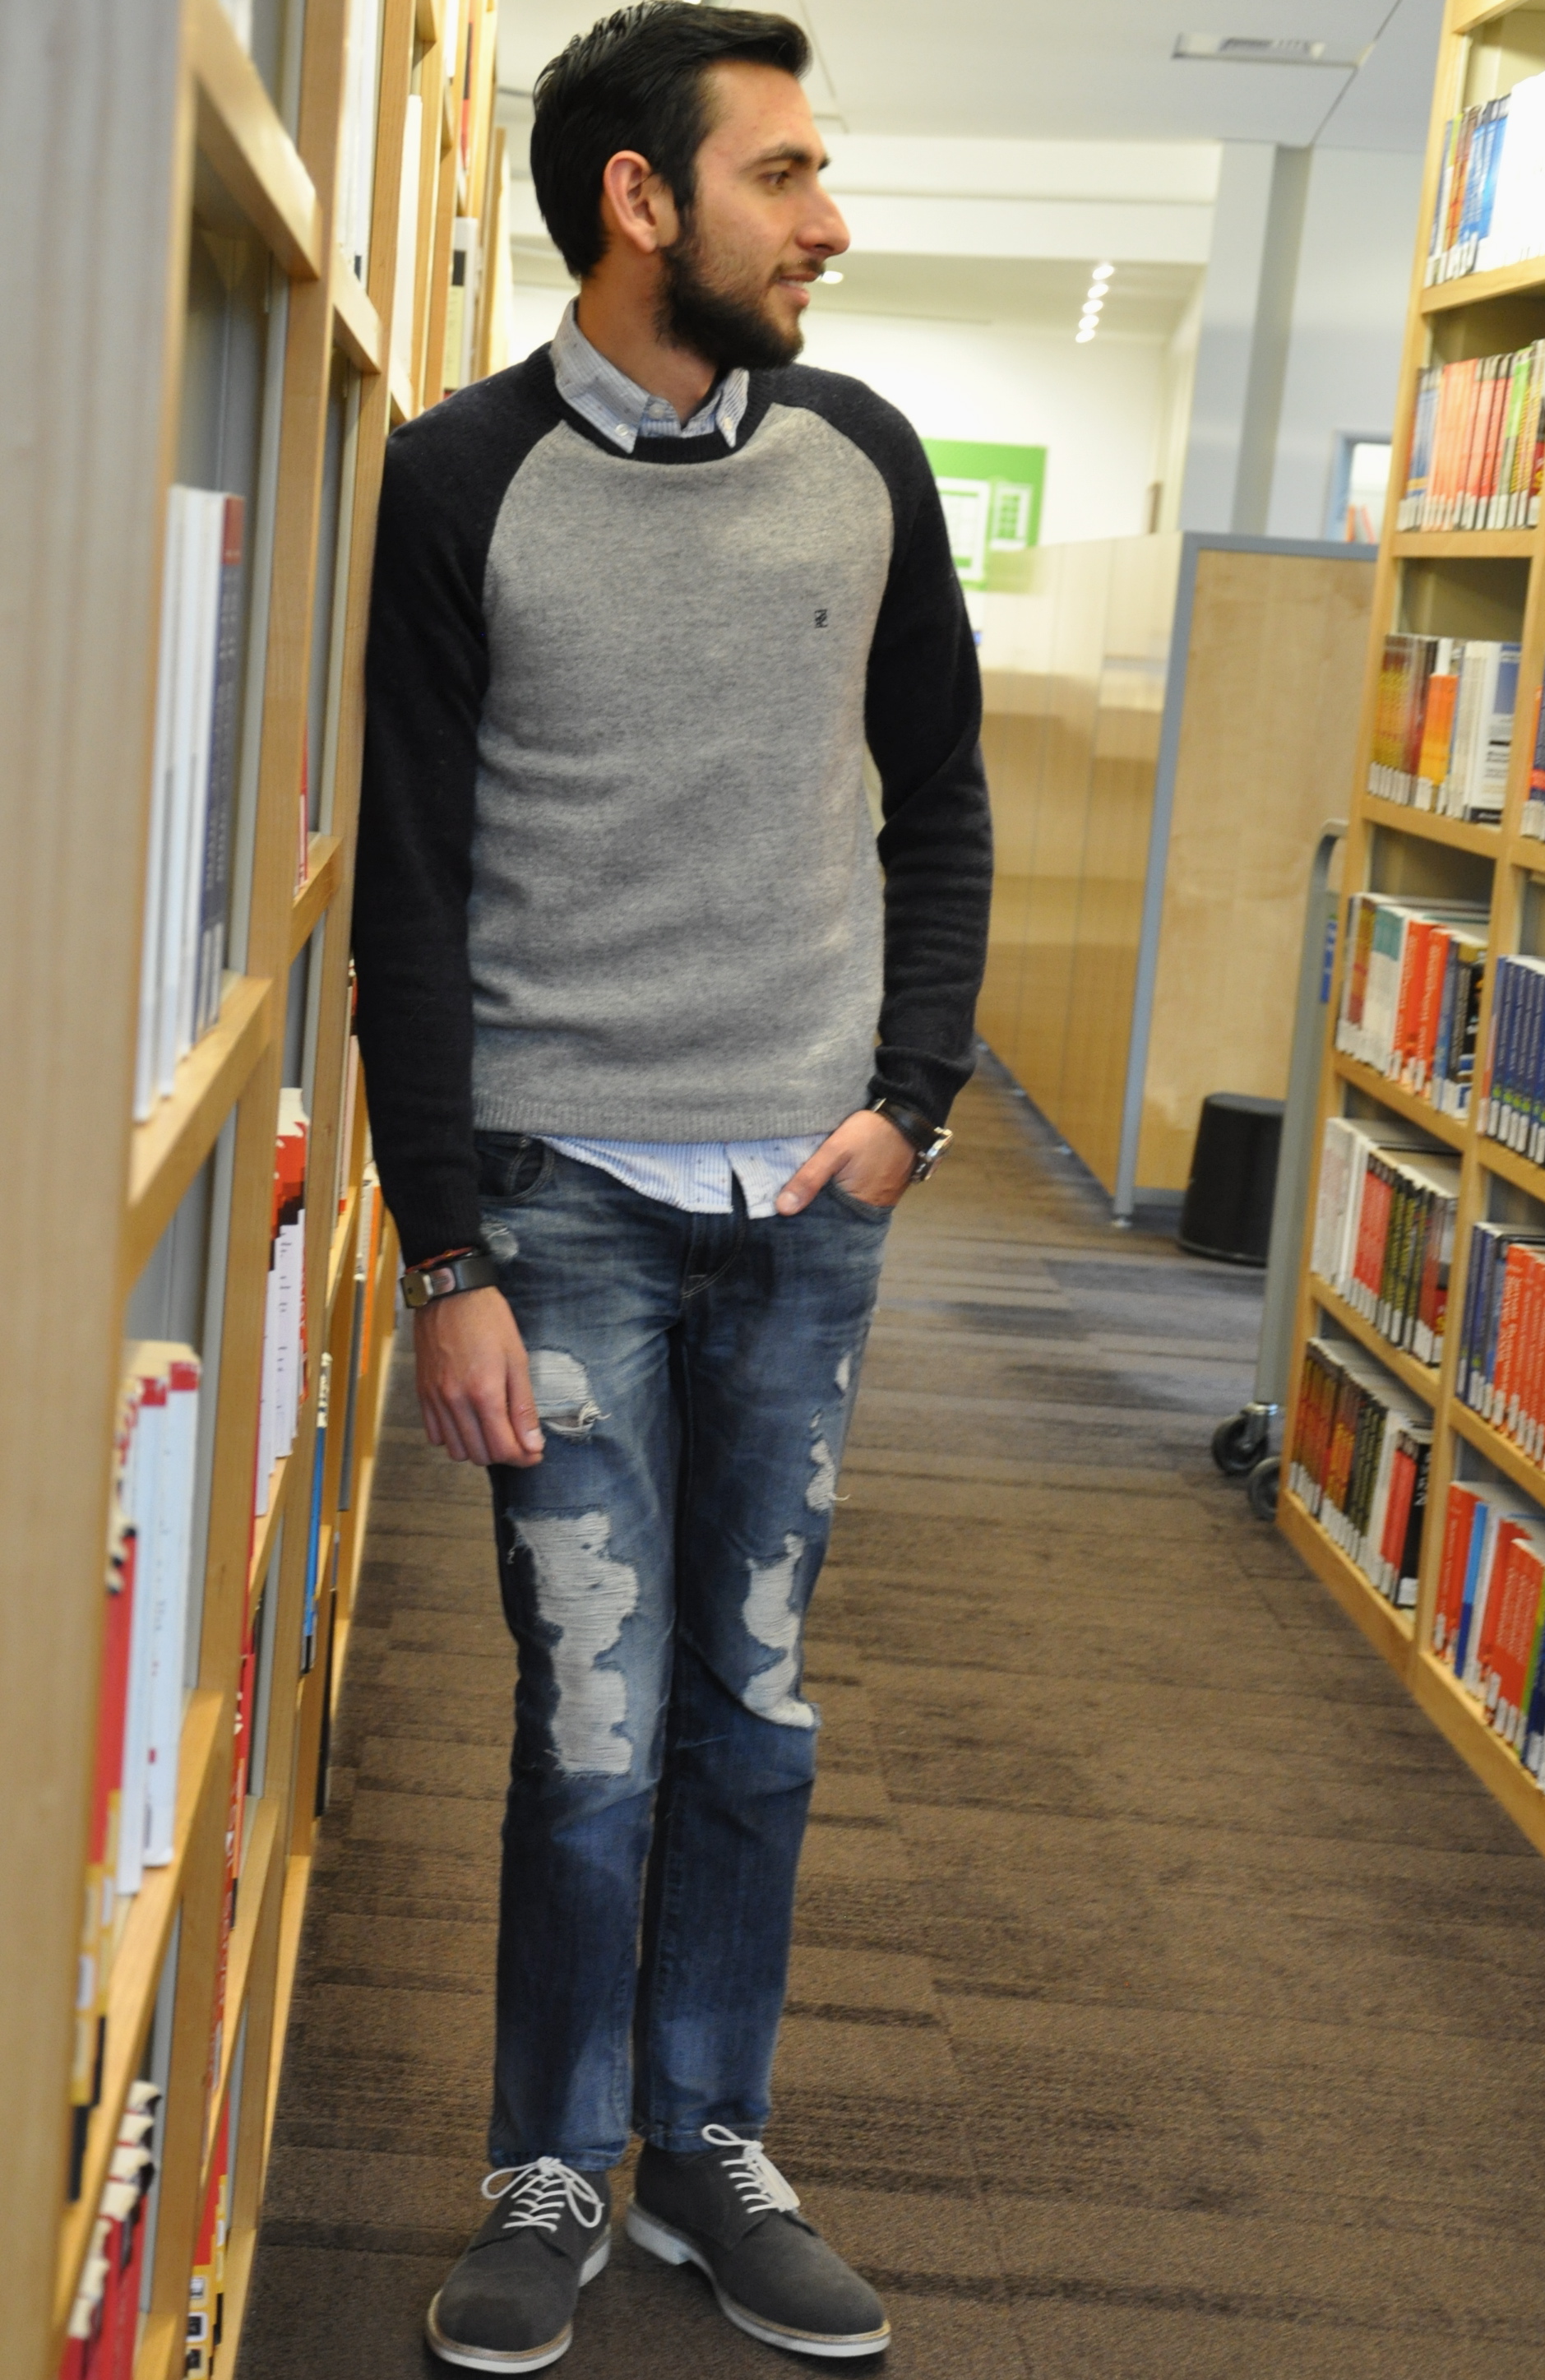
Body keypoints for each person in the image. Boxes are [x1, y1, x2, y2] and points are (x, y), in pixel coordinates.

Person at [352, 3, 992, 2366]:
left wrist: (913, 1098)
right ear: (642, 200)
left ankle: (708, 2143)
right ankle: (552, 2161)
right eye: (783, 175)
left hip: (808, 1202)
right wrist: (445, 1250)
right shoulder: (456, 479)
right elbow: (408, 893)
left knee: (759, 1699)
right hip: (563, 1204)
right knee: (594, 1721)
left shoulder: (862, 457)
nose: (830, 223)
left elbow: (941, 790)